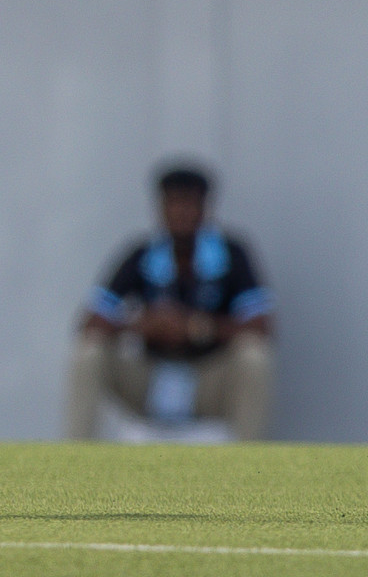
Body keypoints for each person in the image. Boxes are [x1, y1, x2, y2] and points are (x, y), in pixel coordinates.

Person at [65, 162, 275, 440]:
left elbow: (262, 326)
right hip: (151, 379)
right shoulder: (141, 255)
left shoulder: (231, 254)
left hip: (207, 380)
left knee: (254, 357)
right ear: (160, 208)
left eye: (189, 203)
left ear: (205, 208)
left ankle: (250, 466)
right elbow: (89, 321)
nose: (181, 213)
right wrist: (143, 325)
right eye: (174, 203)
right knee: (88, 352)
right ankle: (76, 456)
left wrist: (198, 327)